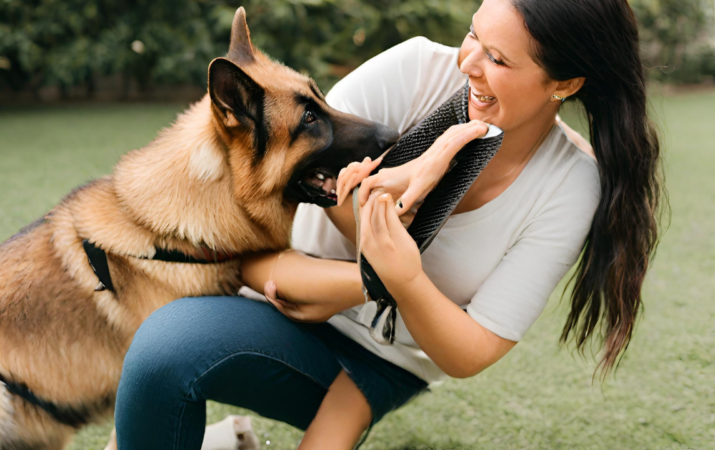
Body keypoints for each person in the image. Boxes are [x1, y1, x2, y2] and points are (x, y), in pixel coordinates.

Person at [114, 0, 663, 448]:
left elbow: (471, 350)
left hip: (386, 361)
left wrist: (395, 280)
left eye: (498, 58)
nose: (467, 62)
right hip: (282, 287)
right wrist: (367, 246)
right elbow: (279, 183)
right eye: (473, 35)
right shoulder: (416, 70)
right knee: (166, 351)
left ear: (564, 83)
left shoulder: (571, 185)